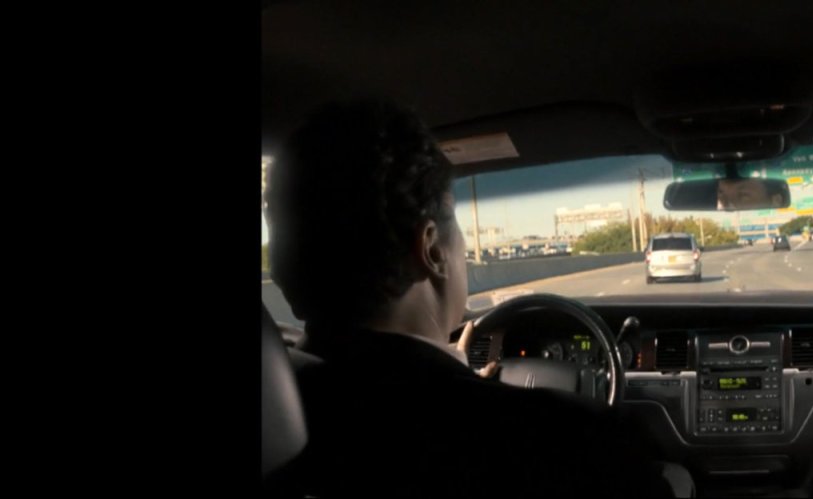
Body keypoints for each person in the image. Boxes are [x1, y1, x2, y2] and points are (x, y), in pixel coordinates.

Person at [265, 100, 678, 498]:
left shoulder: (278, 416)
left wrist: (454, 375)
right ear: (432, 250)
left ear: (284, 265)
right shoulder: (572, 441)